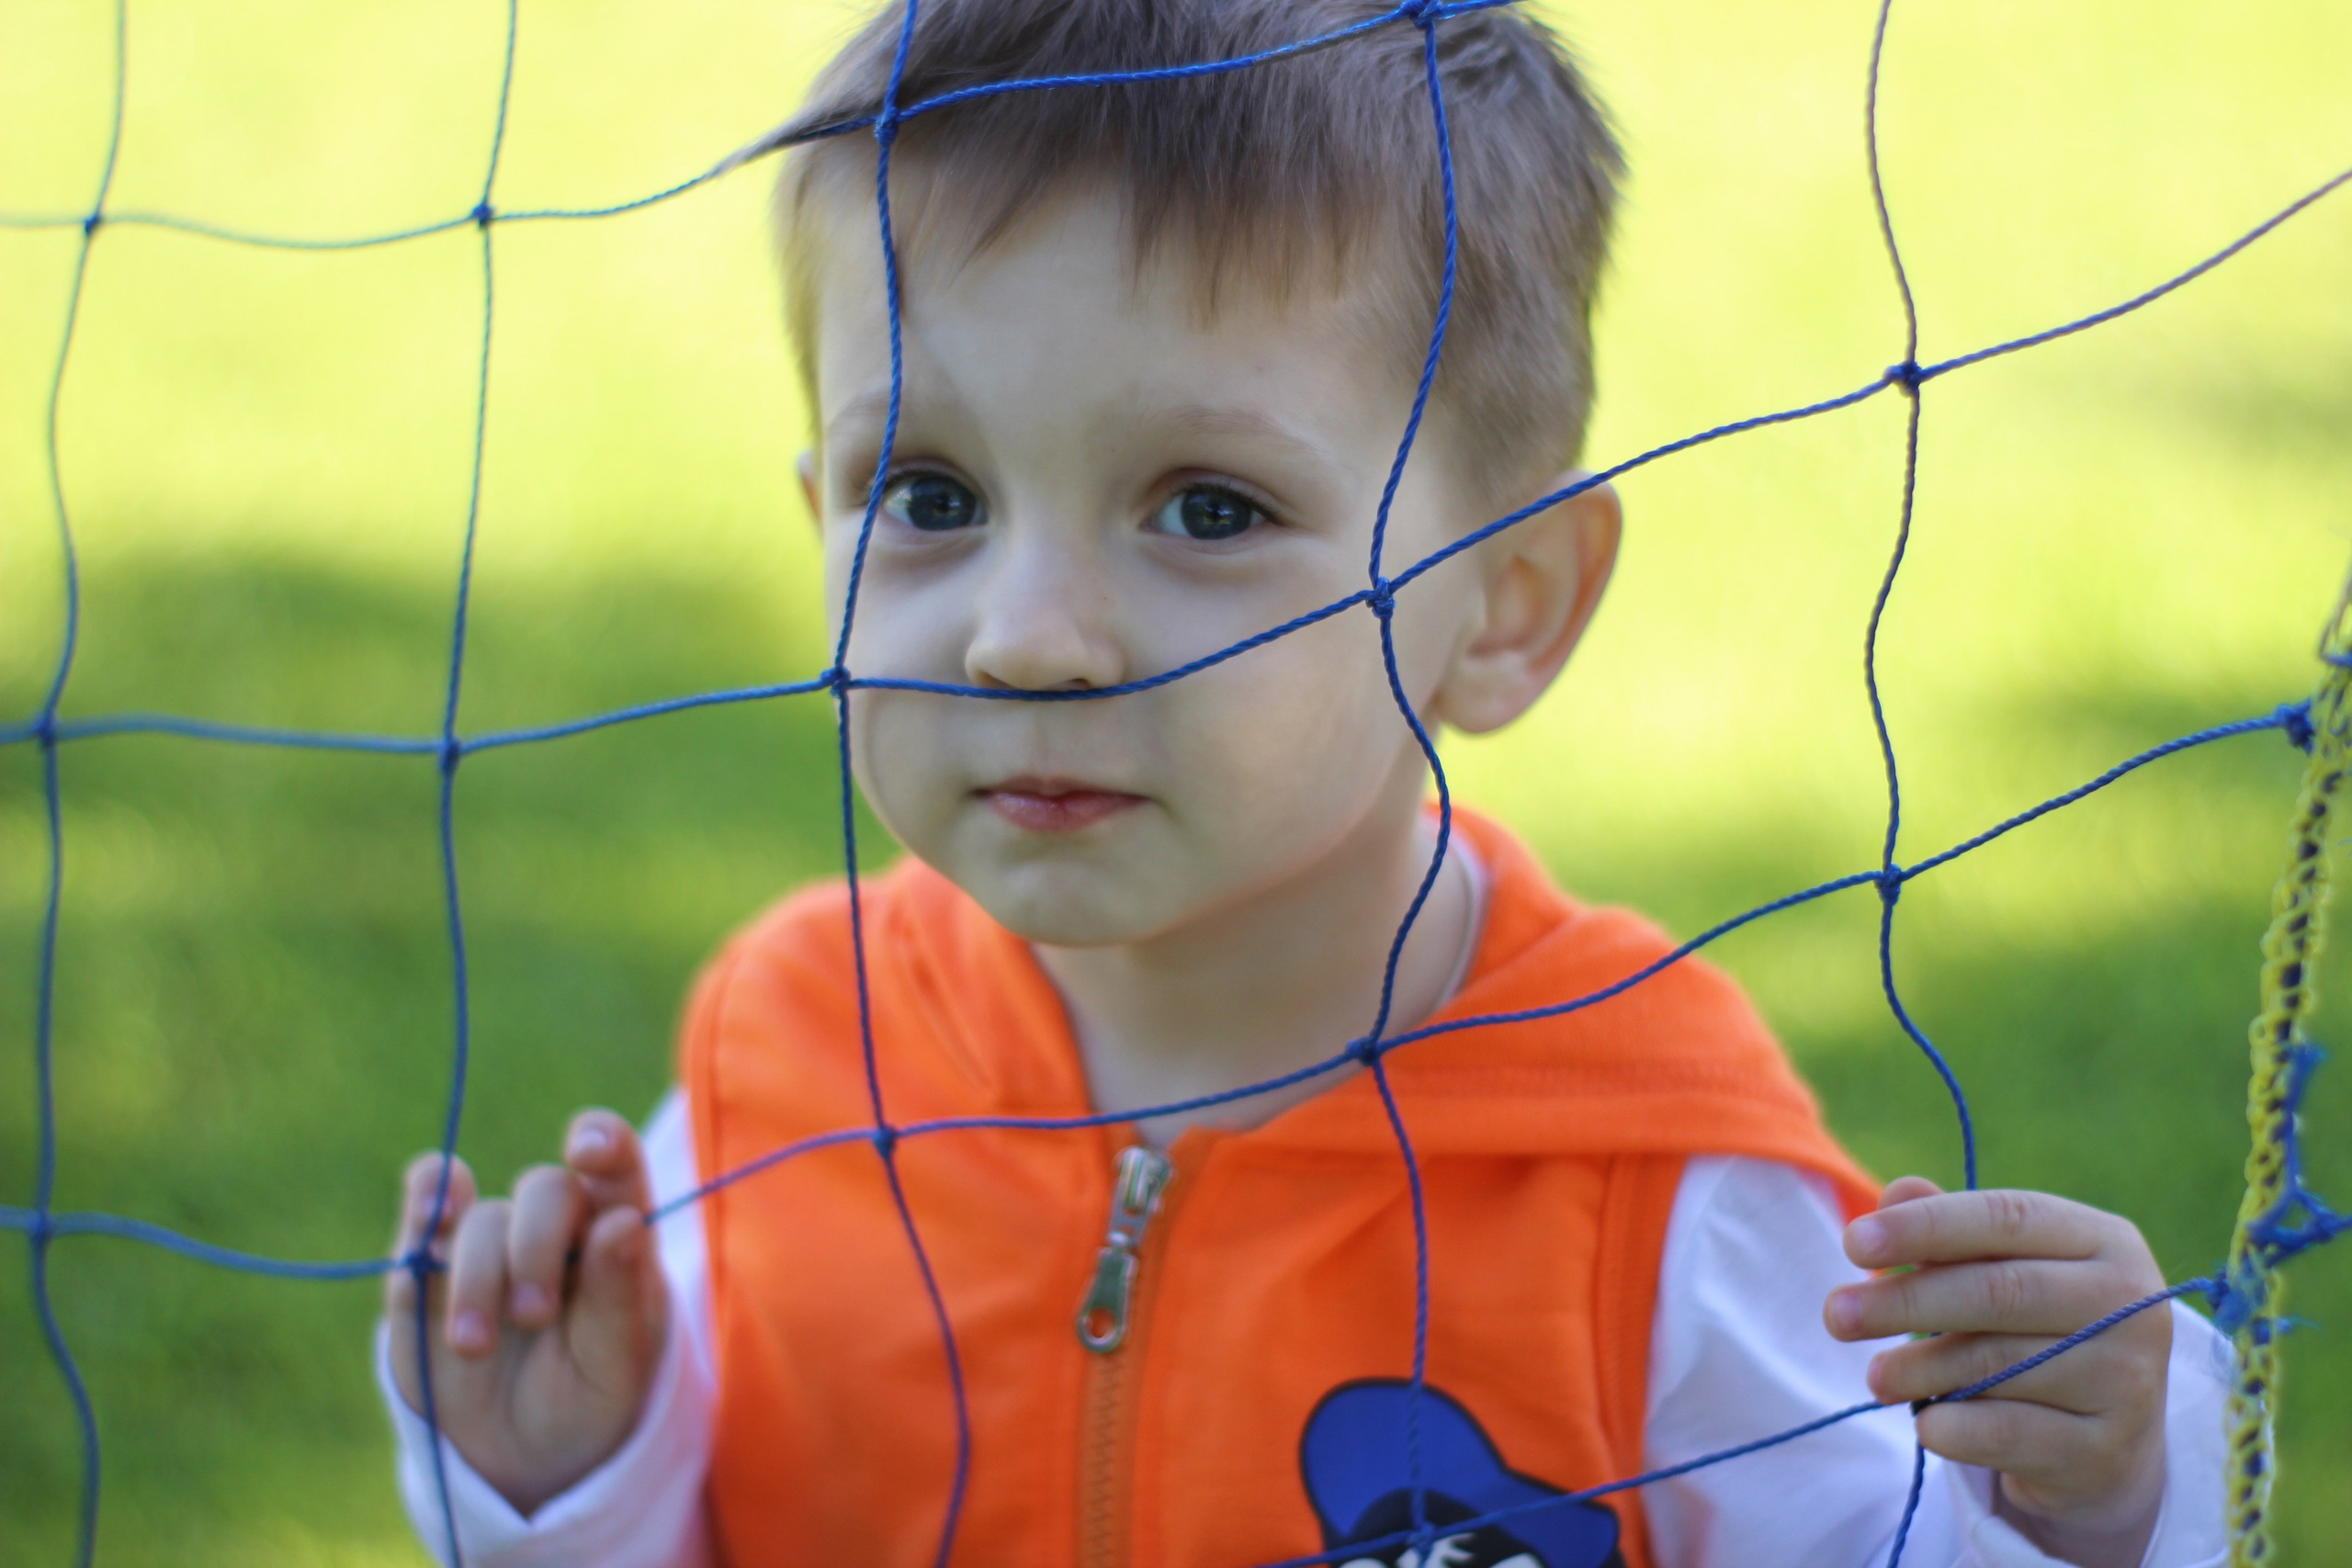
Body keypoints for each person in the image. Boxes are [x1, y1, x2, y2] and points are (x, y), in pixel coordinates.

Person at [376, 2, 2229, 1563]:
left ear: (1502, 609)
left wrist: (2097, 1492)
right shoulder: (779, 1055)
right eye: (925, 493)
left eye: (1208, 508)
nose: (1026, 634)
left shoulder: (1653, 1184)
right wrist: (563, 1472)